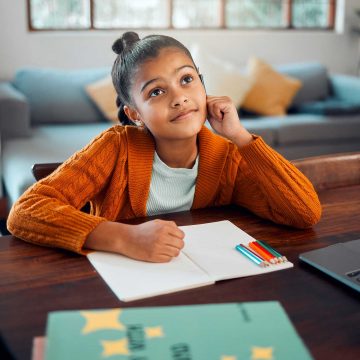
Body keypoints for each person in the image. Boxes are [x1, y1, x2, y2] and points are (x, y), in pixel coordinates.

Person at [7, 32, 321, 263]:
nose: (179, 97)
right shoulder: (116, 147)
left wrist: (241, 137)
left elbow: (304, 213)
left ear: (203, 85)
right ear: (135, 114)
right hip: (121, 277)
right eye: (156, 91)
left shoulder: (227, 155)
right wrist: (124, 237)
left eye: (187, 80)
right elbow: (25, 211)